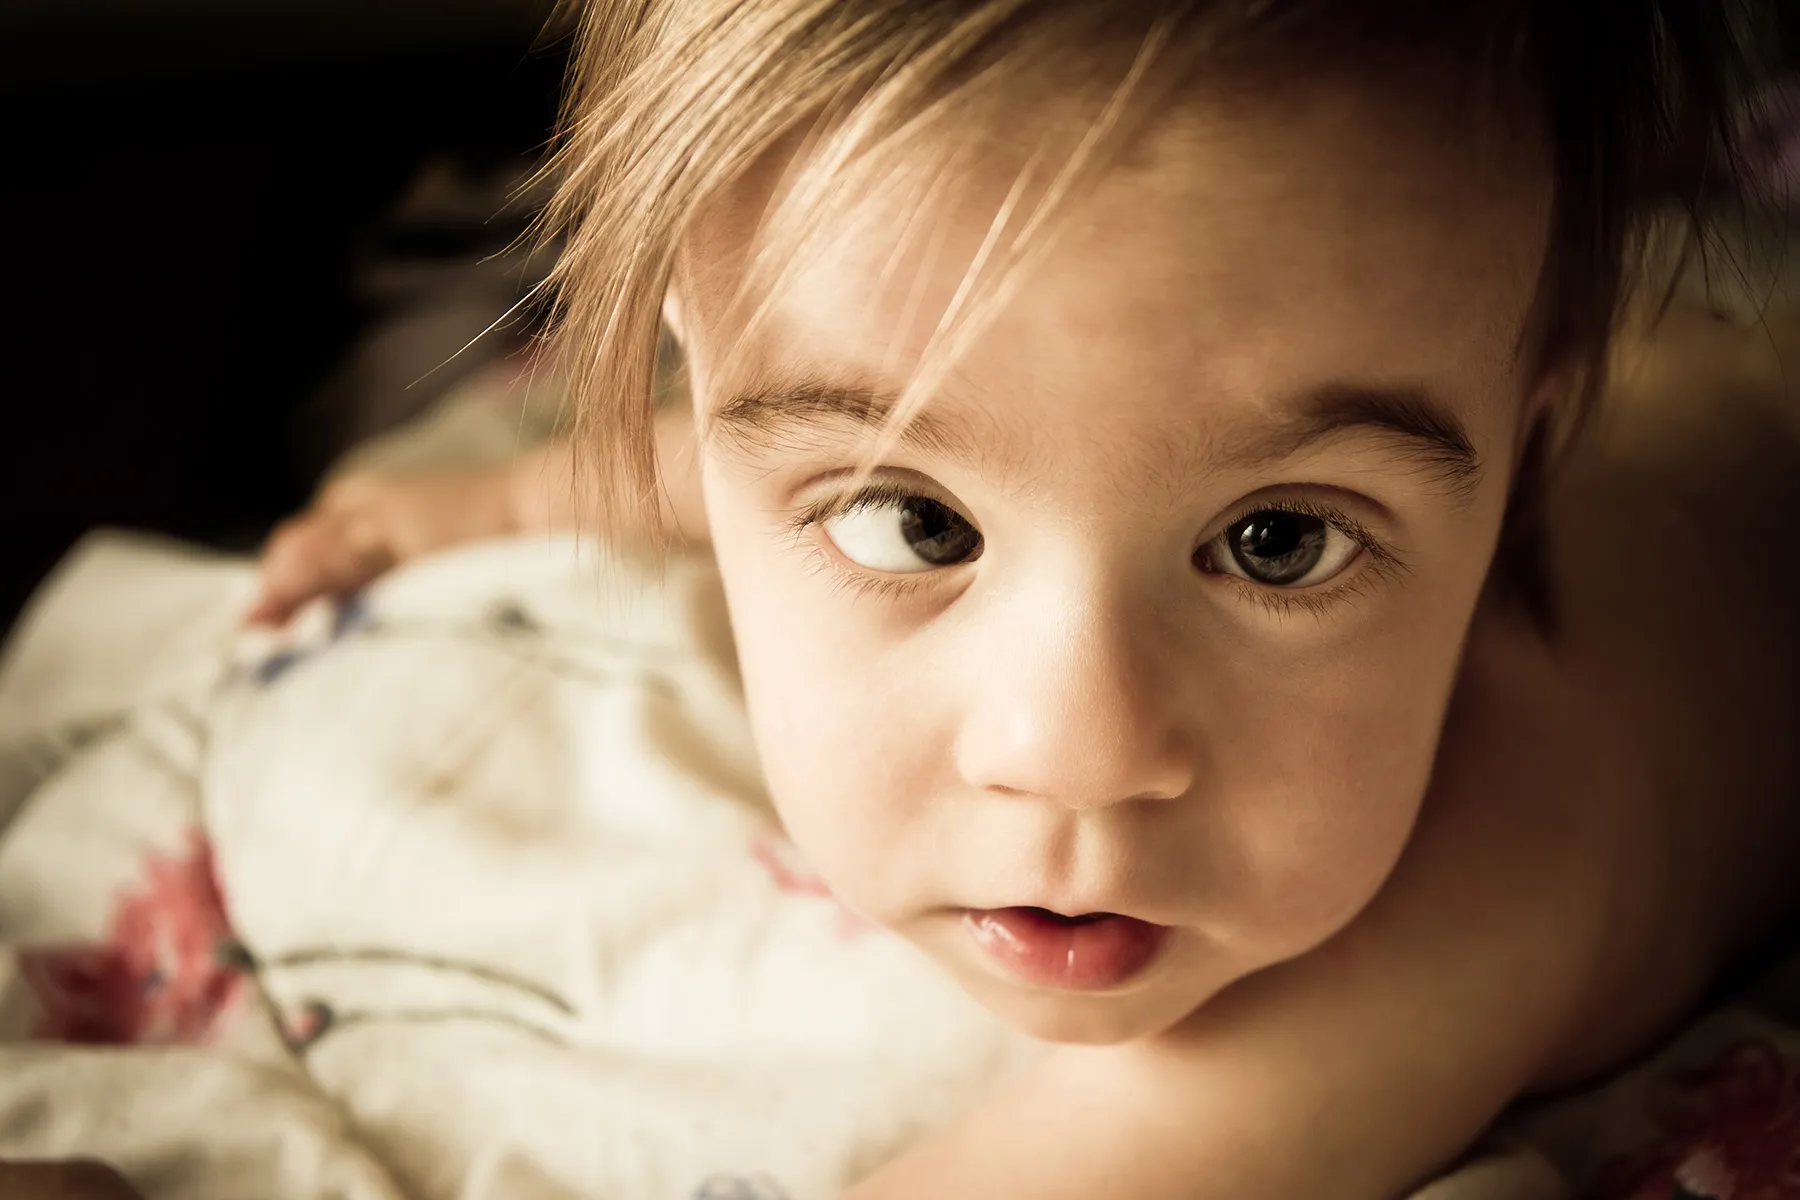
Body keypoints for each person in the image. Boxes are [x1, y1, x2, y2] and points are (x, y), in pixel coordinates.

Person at [251, 2, 1800, 1195]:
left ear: (1522, 464)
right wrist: (506, 499)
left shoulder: (1503, 878)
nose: (1079, 749)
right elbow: (737, 441)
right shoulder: (915, 406)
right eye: (917, 523)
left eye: (1279, 544)